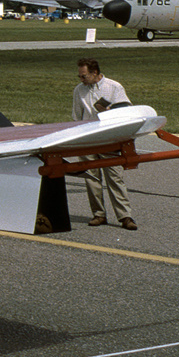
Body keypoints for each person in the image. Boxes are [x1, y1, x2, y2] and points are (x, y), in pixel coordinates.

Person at [72, 57, 137, 230]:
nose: (81, 79)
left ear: (95, 73)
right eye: (79, 76)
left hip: (109, 139)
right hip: (89, 139)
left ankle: (125, 216)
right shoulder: (79, 90)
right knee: (91, 178)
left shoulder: (114, 87)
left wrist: (109, 111)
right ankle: (98, 215)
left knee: (115, 178)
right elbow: (76, 117)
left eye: (84, 76)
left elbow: (127, 110)